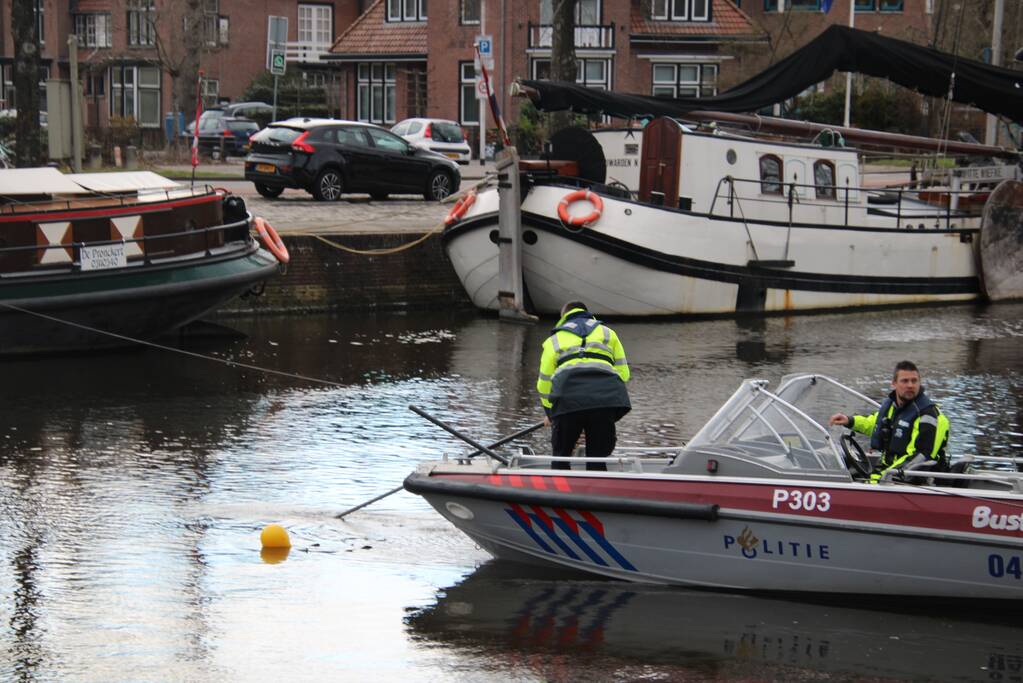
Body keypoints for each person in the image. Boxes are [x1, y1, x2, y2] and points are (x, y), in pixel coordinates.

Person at [536, 301, 631, 471]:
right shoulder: (609, 334)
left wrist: (551, 413)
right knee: (597, 458)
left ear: (563, 317)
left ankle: (559, 492)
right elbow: (623, 374)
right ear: (588, 314)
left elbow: (544, 383)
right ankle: (596, 491)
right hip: (605, 401)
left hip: (567, 403)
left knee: (561, 455)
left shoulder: (553, 341)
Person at [829, 360, 950, 482]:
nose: (910, 385)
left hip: (914, 482)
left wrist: (884, 478)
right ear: (894, 384)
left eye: (914, 381)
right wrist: (850, 421)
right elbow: (875, 424)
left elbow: (920, 457)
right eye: (905, 381)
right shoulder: (893, 407)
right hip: (889, 472)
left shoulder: (929, 416)